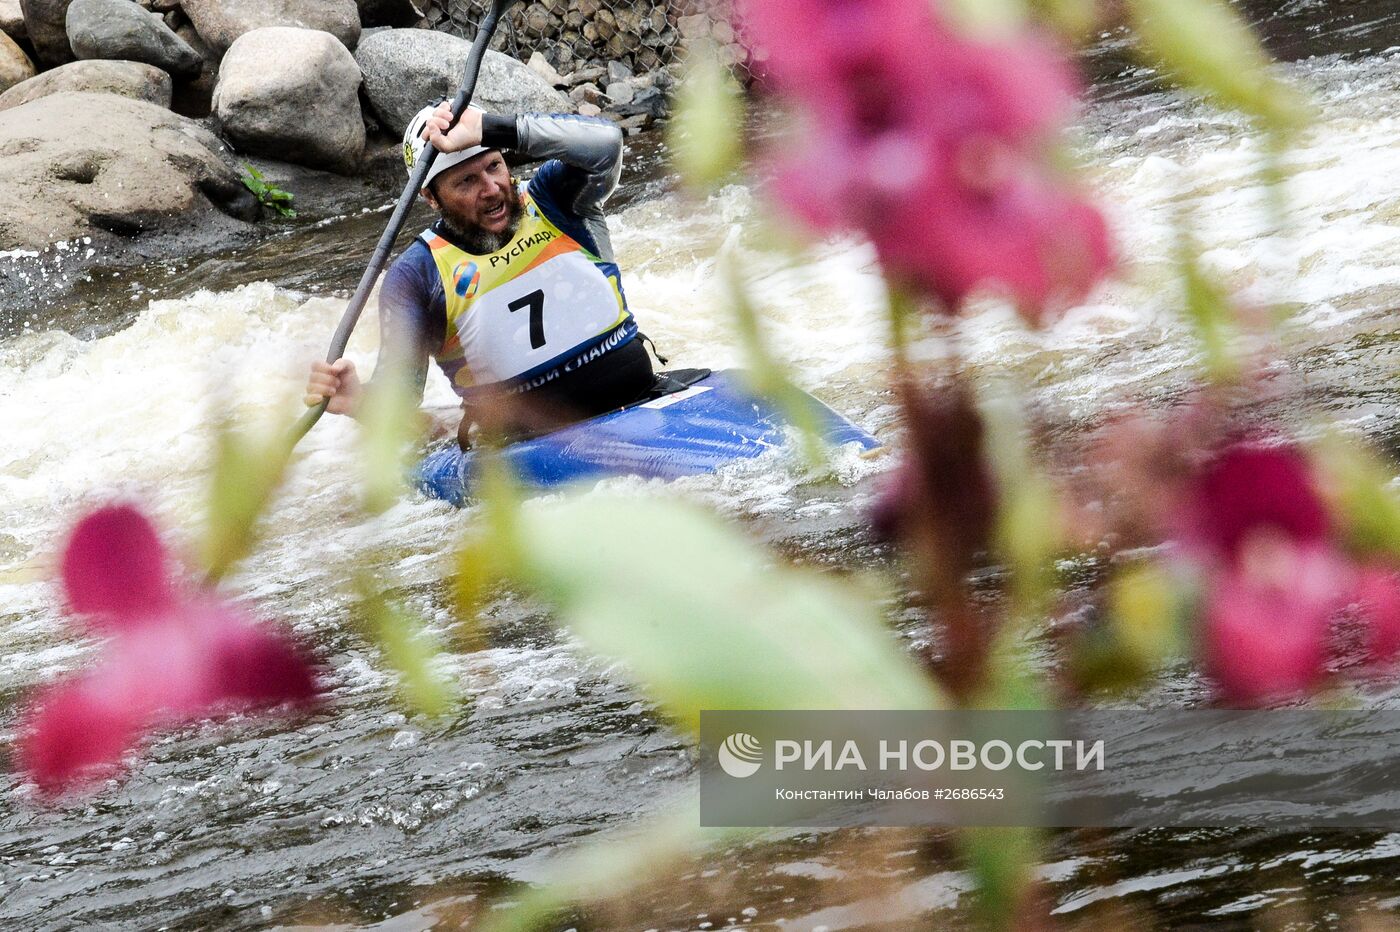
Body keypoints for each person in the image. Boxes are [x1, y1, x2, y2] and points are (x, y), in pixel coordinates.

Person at [305, 100, 655, 445]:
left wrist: (489, 128)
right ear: (431, 197)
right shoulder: (419, 274)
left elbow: (607, 144)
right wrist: (360, 401)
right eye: (466, 181)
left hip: (639, 397)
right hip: (522, 444)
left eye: (494, 166)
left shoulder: (557, 201)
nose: (491, 189)